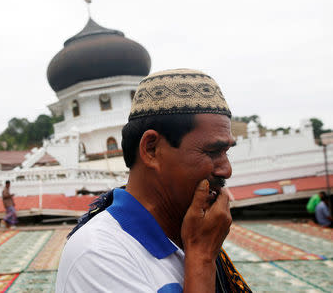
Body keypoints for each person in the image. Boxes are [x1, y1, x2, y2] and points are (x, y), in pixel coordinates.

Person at [56, 69, 251, 292]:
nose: (226, 170)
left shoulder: (191, 232)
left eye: (226, 152)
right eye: (213, 151)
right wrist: (202, 259)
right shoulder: (97, 254)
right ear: (151, 149)